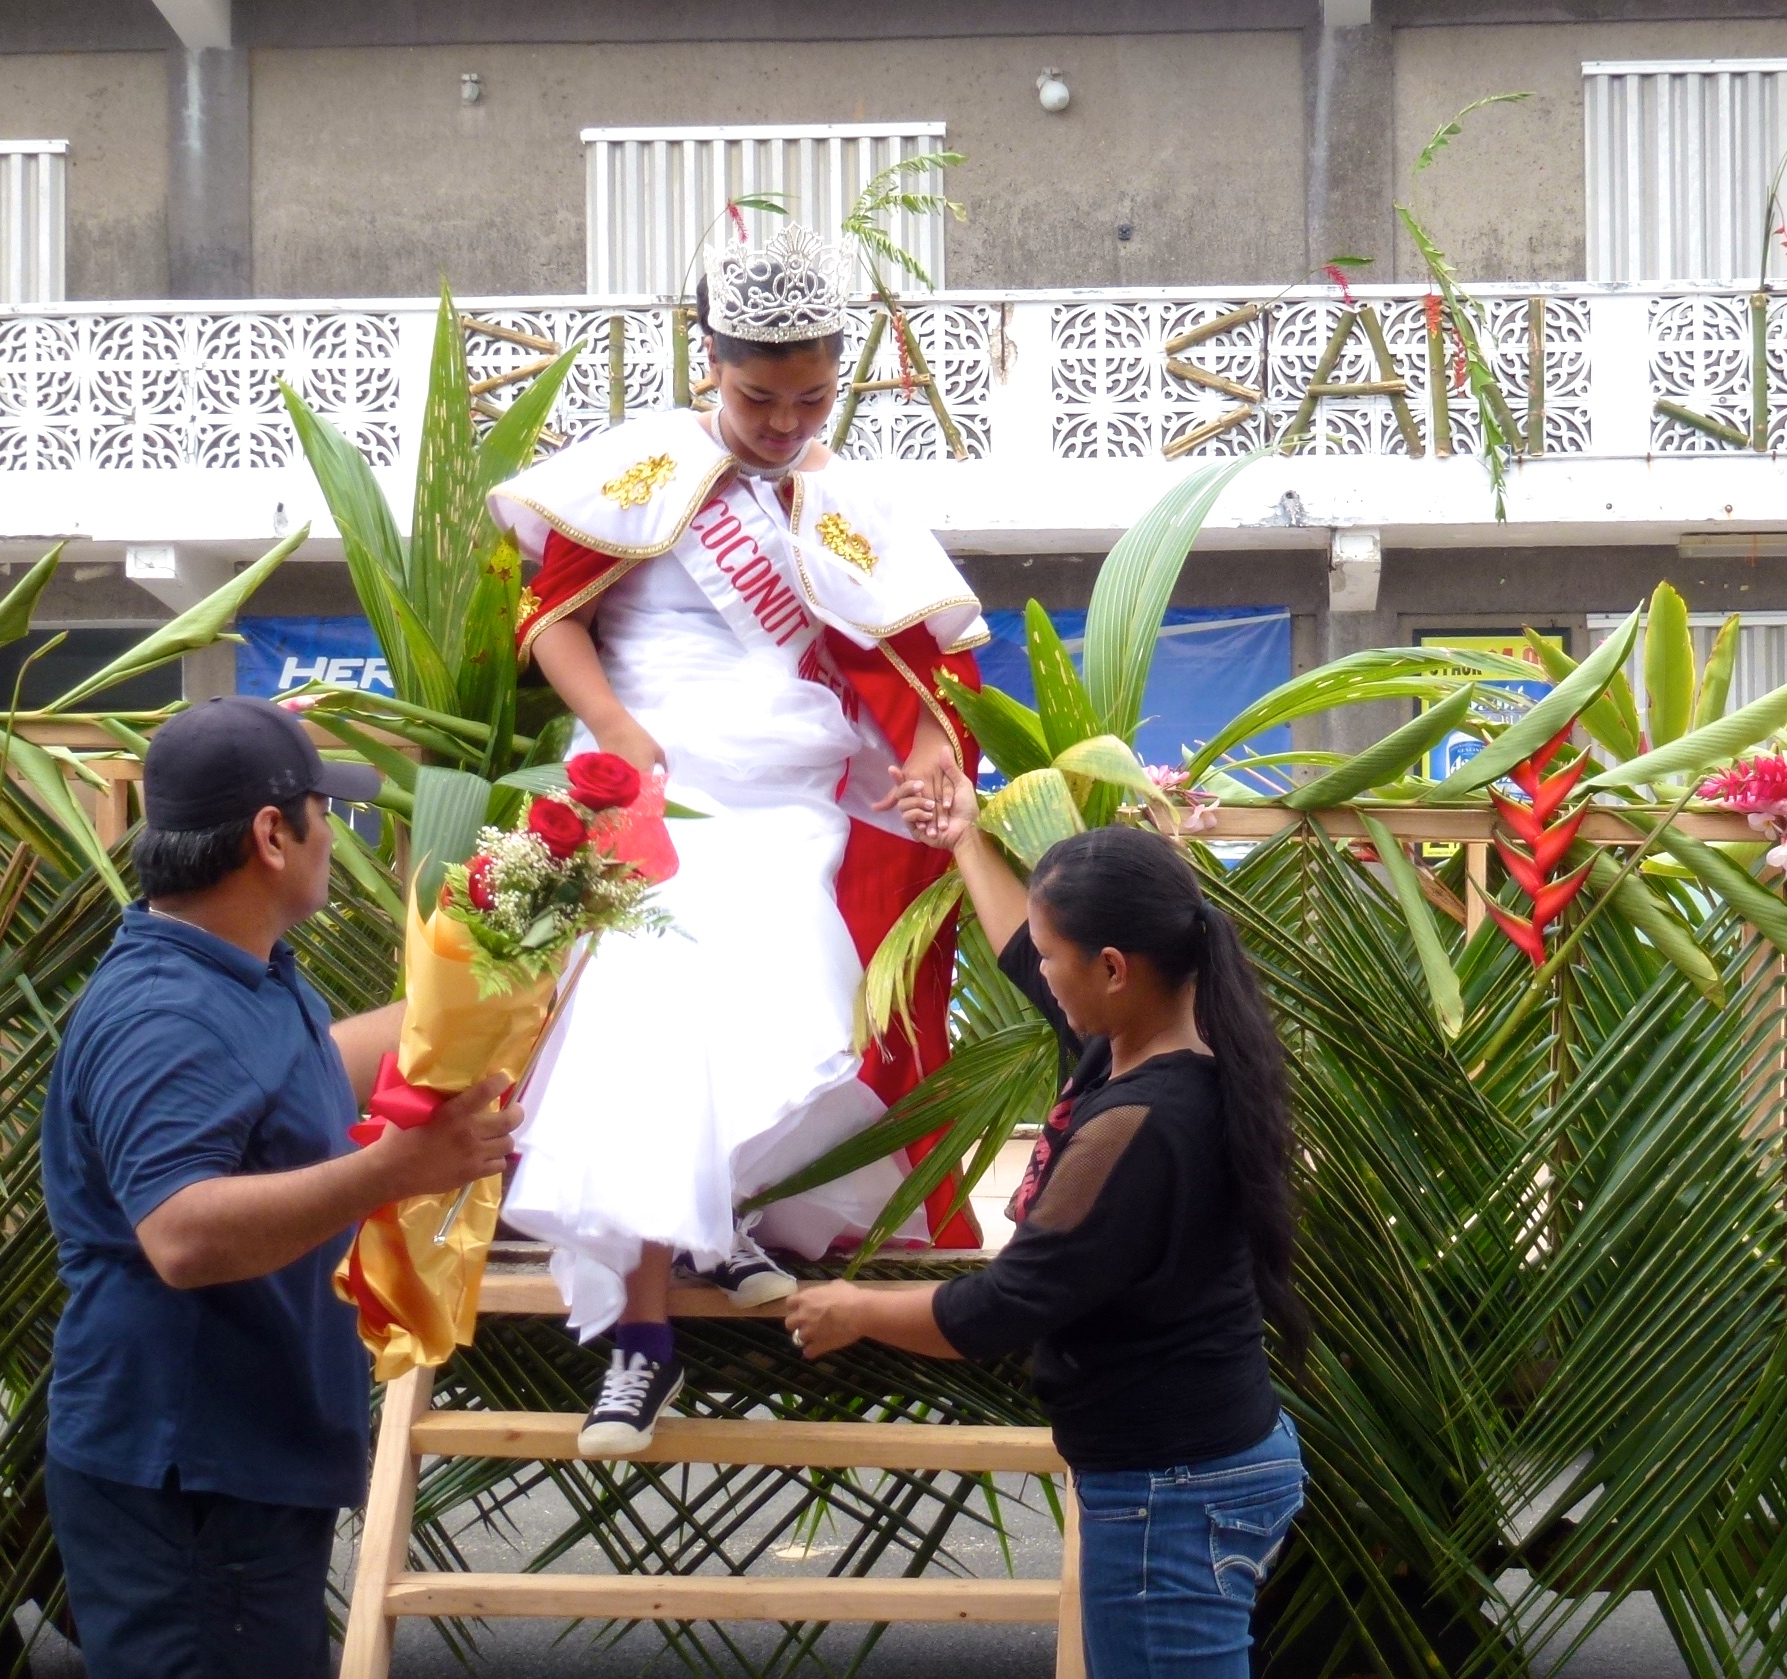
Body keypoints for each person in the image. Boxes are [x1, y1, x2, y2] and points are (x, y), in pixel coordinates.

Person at [485, 223, 989, 1457]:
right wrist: (612, 727)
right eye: (758, 396)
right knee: (655, 1022)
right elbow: (550, 621)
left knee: (800, 1029)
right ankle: (639, 1337)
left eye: (811, 398)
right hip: (669, 807)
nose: (782, 422)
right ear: (705, 362)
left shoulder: (846, 495)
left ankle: (723, 1223)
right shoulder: (637, 468)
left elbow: (921, 671)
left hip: (799, 810)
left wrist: (930, 752)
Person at [40, 696, 522, 1679]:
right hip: (191, 1480)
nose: (327, 837)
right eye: (320, 811)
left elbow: (308, 1067)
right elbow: (181, 1233)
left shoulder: (241, 973)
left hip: (242, 1462)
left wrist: (513, 983)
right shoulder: (165, 1013)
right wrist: (394, 1168)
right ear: (271, 832)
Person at [784, 804, 1311, 1679]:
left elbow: (1003, 1305)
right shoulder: (1149, 1042)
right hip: (1206, 1463)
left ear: (1112, 967)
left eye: (1054, 954)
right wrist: (960, 834)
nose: (1041, 973)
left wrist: (854, 1308)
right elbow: (1027, 961)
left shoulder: (1137, 1125)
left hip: (1170, 1493)